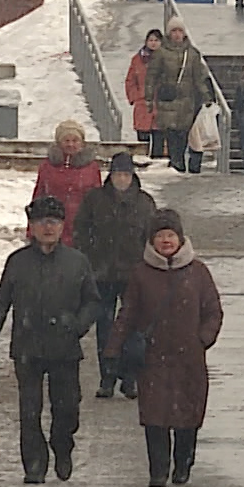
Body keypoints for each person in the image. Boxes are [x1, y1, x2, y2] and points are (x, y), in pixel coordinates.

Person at [0, 197, 102, 485]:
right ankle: (34, 464)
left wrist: (77, 325)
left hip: (65, 349)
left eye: (54, 222)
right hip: (28, 348)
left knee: (67, 408)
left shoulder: (77, 262)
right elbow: (0, 304)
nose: (48, 228)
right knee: (29, 411)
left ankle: (62, 446)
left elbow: (93, 302)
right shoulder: (18, 263)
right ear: (31, 227)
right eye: (42, 222)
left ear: (62, 227)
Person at [107, 209, 223, 487]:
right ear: (151, 241)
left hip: (189, 359)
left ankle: (183, 464)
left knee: (187, 416)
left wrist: (202, 338)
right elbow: (128, 314)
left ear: (180, 239)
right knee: (154, 417)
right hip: (152, 358)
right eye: (160, 236)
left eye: (170, 235)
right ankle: (158, 470)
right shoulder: (141, 274)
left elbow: (213, 311)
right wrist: (113, 349)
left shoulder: (198, 272)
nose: (166, 241)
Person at [74, 151, 158, 400]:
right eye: (118, 174)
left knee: (135, 328)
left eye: (126, 174)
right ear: (110, 175)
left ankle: (130, 378)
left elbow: (151, 236)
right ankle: (107, 377)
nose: (122, 179)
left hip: (134, 273)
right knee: (105, 327)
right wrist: (87, 255)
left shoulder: (144, 203)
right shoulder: (95, 199)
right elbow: (81, 228)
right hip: (101, 272)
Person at [145, 17, 214, 174]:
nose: (177, 34)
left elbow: (199, 78)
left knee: (183, 135)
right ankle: (177, 164)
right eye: (174, 31)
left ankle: (179, 164)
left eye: (180, 31)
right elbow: (151, 76)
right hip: (168, 101)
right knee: (171, 135)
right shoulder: (161, 53)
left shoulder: (192, 54)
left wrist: (206, 97)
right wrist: (148, 98)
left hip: (186, 103)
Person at [32, 119, 101, 246]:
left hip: (82, 230)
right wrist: (32, 230)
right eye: (66, 140)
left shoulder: (91, 168)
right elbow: (38, 197)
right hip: (52, 229)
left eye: (75, 140)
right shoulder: (47, 166)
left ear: (82, 143)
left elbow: (98, 201)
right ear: (59, 143)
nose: (70, 144)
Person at [124, 29, 165, 159]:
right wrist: (135, 97)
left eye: (156, 40)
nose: (153, 43)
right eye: (151, 40)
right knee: (142, 140)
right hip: (142, 104)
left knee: (159, 139)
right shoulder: (137, 60)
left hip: (160, 104)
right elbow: (130, 80)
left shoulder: (167, 59)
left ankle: (157, 165)